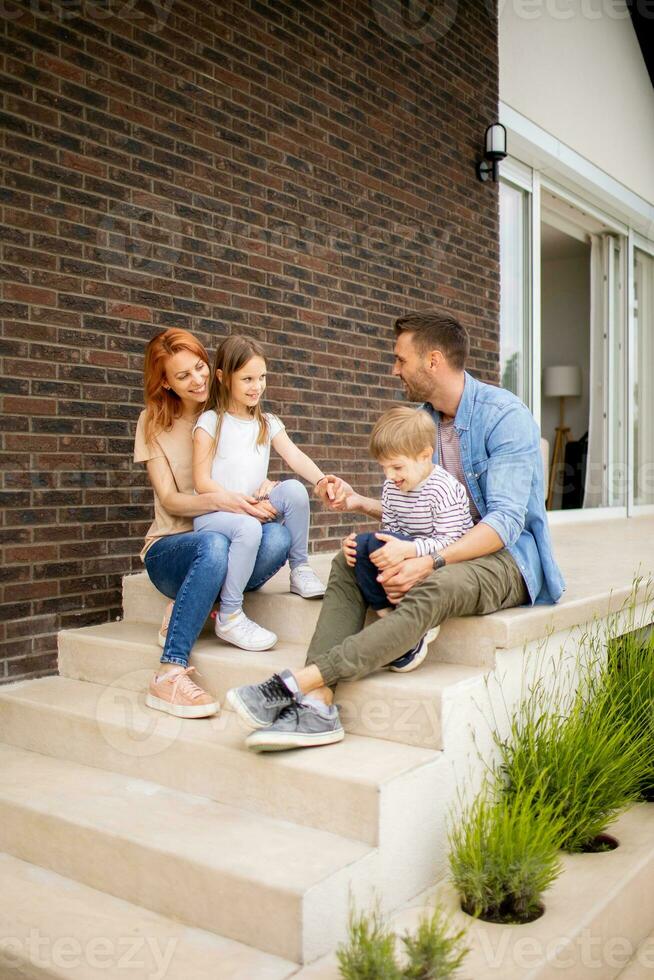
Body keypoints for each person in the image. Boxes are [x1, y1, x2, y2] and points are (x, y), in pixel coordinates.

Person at [226, 310, 566, 753]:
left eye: (400, 359)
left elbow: (503, 523)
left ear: (433, 361)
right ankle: (318, 706)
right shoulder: (420, 420)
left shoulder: (504, 416)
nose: (394, 369)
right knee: (348, 559)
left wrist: (428, 560)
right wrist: (362, 505)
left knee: (437, 581)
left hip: (507, 557)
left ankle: (298, 682)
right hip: (441, 545)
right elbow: (417, 507)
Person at [134, 328, 292, 719]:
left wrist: (264, 488)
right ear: (166, 384)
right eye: (182, 375)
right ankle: (169, 672)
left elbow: (247, 479)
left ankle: (205, 601)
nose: (197, 379)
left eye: (200, 367)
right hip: (173, 546)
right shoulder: (152, 422)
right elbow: (170, 499)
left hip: (228, 535)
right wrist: (221, 499)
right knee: (214, 546)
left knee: (277, 538)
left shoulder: (231, 416)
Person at [192, 335, 328, 652]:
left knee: (293, 489)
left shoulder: (267, 422)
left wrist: (322, 481)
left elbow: (294, 457)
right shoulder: (211, 421)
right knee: (250, 526)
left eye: (262, 377)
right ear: (223, 377)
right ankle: (229, 614)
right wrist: (243, 506)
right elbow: (201, 482)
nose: (257, 386)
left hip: (251, 509)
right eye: (248, 379)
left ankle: (301, 569)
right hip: (216, 515)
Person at [344, 405, 473, 673]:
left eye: (397, 466)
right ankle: (388, 618)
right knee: (363, 545)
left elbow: (452, 541)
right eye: (384, 468)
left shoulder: (444, 488)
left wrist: (411, 549)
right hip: (409, 551)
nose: (389, 475)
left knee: (390, 550)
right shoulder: (392, 487)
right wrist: (373, 549)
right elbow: (390, 529)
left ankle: (418, 626)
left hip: (442, 560)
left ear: (425, 456)